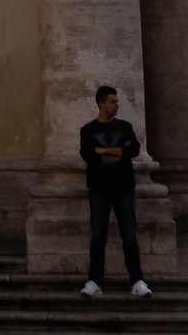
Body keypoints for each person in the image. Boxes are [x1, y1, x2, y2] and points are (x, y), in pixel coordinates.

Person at [77, 86, 151, 299]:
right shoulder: (88, 130)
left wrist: (103, 151)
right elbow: (88, 156)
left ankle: (137, 281)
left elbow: (133, 150)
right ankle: (94, 282)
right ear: (101, 103)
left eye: (117, 101)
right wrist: (119, 153)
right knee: (98, 235)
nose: (117, 105)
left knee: (129, 235)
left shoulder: (125, 127)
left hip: (123, 188)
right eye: (113, 102)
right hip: (99, 188)